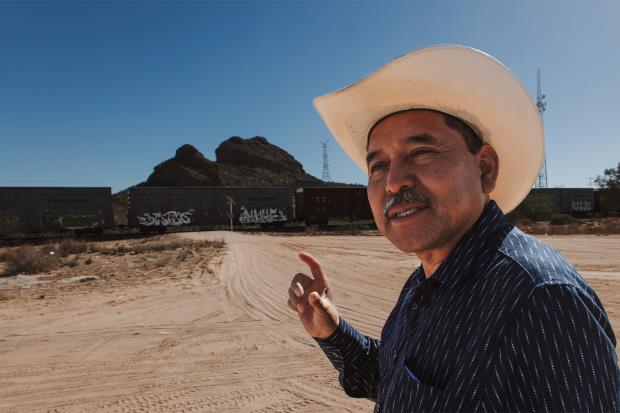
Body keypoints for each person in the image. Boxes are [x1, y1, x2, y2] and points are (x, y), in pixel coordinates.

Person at [286, 45, 619, 412]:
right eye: (378, 166)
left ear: (485, 169)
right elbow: (396, 383)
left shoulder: (541, 300)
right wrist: (331, 332)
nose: (394, 182)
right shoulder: (424, 281)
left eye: (421, 152)